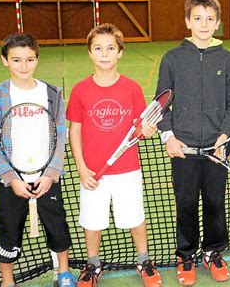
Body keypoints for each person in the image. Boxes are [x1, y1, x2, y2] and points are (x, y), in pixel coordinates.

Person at [155, 0, 230, 284]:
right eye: (197, 18)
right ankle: (186, 255)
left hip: (217, 150)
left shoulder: (228, 60)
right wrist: (168, 136)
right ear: (187, 21)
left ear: (217, 22)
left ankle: (214, 252)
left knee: (216, 203)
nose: (204, 23)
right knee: (186, 204)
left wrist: (224, 136)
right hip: (183, 150)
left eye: (209, 18)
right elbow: (161, 103)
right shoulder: (173, 59)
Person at [66, 23, 161, 287]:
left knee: (135, 217)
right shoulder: (80, 90)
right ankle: (92, 264)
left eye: (110, 48)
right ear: (90, 52)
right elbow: (75, 132)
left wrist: (148, 130)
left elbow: (140, 127)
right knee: (92, 220)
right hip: (93, 172)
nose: (104, 53)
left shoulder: (131, 88)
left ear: (120, 52)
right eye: (98, 48)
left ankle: (143, 259)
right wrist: (82, 168)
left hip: (127, 170)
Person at [0, 33, 75, 287]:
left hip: (47, 178)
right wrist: (10, 178)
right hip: (11, 183)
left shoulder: (52, 93)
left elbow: (61, 135)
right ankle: (8, 281)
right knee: (8, 232)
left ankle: (63, 272)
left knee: (58, 227)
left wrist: (51, 173)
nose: (23, 66)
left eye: (29, 59)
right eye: (16, 60)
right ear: (5, 60)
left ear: (37, 59)